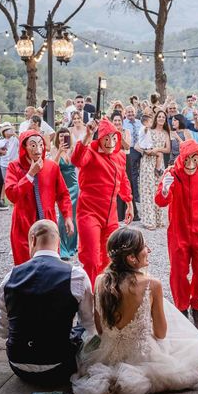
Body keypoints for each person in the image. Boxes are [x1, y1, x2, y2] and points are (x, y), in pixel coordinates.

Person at [71, 227, 198, 394]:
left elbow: (100, 330)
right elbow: (160, 333)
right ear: (131, 258)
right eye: (145, 247)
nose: (149, 250)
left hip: (106, 355)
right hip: (143, 357)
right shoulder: (152, 284)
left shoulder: (100, 281)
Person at [0, 219, 94, 386]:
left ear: (32, 239)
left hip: (18, 364)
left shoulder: (10, 277)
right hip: (60, 366)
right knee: (80, 329)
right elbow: (90, 324)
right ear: (58, 241)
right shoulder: (76, 275)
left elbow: (3, 331)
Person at [155, 140, 198, 330]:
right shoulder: (172, 173)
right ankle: (182, 308)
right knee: (178, 272)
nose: (191, 164)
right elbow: (160, 201)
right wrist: (165, 189)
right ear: (181, 158)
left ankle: (197, 306)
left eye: (195, 158)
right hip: (178, 231)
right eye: (187, 159)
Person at [72, 118, 133, 287]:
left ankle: (104, 292)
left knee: (109, 257)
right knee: (91, 257)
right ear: (100, 138)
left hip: (110, 214)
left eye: (114, 138)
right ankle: (90, 293)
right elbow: (76, 160)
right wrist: (87, 136)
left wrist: (129, 202)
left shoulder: (119, 155)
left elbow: (123, 178)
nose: (110, 142)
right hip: (89, 211)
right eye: (106, 138)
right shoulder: (90, 152)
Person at [5, 129, 73, 265]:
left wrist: (67, 216)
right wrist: (30, 175)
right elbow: (12, 195)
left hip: (48, 222)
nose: (38, 149)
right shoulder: (14, 166)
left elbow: (63, 194)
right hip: (23, 222)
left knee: (51, 265)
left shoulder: (52, 167)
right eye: (33, 145)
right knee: (25, 265)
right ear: (25, 146)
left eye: (41, 144)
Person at [136, 110, 170, 230]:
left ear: (165, 119)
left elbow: (167, 149)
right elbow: (137, 145)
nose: (161, 118)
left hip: (159, 162)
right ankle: (148, 221)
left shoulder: (166, 133)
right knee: (147, 190)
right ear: (156, 118)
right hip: (147, 161)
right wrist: (146, 151)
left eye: (163, 117)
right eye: (159, 116)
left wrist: (156, 149)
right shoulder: (149, 130)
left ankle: (158, 219)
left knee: (157, 190)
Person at [51, 128, 79, 260]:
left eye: (66, 136)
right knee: (63, 217)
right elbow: (53, 167)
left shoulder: (73, 149)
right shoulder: (54, 149)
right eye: (61, 136)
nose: (63, 138)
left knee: (73, 217)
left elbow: (79, 163)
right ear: (57, 137)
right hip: (62, 187)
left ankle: (72, 246)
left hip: (74, 186)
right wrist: (60, 152)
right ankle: (63, 248)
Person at [111, 113, 134, 222]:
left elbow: (127, 146)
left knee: (126, 183)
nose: (117, 123)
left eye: (119, 121)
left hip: (125, 157)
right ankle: (117, 212)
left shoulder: (126, 132)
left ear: (122, 121)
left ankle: (129, 208)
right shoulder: (110, 133)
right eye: (115, 120)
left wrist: (119, 135)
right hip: (114, 159)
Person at [123, 105, 142, 220]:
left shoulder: (140, 123)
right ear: (125, 113)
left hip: (140, 148)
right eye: (128, 112)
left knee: (141, 173)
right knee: (134, 174)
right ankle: (135, 195)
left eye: (132, 112)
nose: (130, 114)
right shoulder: (124, 123)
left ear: (135, 113)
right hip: (130, 149)